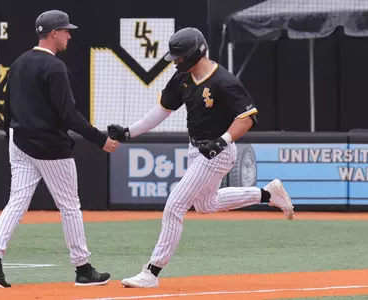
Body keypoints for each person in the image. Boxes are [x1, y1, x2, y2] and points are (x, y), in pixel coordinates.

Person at [107, 27, 295, 288]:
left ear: (195, 54)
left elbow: (247, 117)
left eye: (179, 57)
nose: (175, 62)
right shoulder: (182, 77)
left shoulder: (224, 81)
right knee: (206, 205)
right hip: (196, 149)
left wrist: (222, 141)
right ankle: (267, 194)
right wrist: (129, 132)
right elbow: (163, 110)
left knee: (174, 206)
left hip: (218, 153)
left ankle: (151, 272)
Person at [0, 9, 117, 288]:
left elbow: (8, 106)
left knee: (16, 201)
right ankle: (83, 268)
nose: (69, 35)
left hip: (19, 140)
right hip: (49, 145)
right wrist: (99, 139)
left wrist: (11, 139)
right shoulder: (55, 67)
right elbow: (69, 114)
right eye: (66, 30)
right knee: (70, 206)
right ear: (53, 33)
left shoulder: (19, 63)